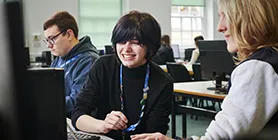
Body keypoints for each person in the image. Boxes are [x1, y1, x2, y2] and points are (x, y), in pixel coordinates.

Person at [131, 0, 278, 139]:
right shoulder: (271, 59)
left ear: (251, 17)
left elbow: (222, 137)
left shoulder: (257, 68)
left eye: (225, 16)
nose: (219, 27)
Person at [71, 10, 173, 140]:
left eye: (135, 42)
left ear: (150, 46)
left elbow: (154, 133)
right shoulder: (103, 66)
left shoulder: (162, 82)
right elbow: (78, 115)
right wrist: (103, 125)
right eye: (121, 42)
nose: (126, 49)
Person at [43, 11, 99, 117]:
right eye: (46, 40)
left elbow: (76, 102)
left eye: (52, 39)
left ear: (69, 34)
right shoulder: (59, 59)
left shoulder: (88, 60)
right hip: (58, 117)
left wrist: (45, 106)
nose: (49, 46)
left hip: (77, 123)